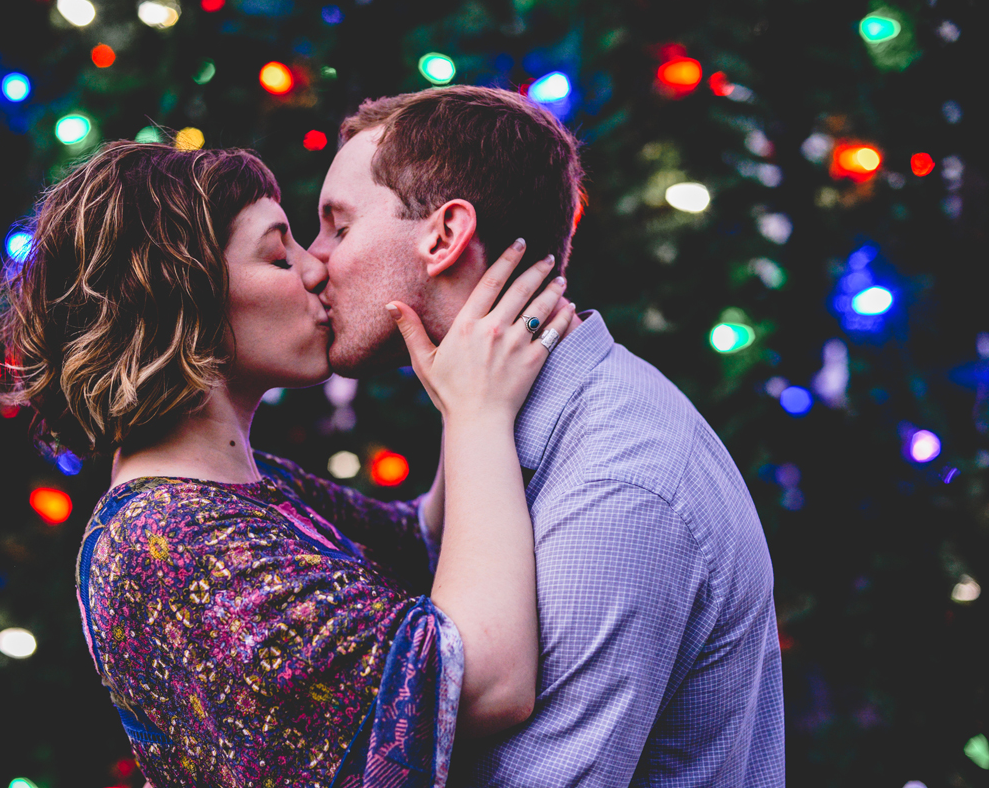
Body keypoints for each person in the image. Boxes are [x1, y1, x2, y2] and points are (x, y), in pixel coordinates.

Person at [0, 141, 575, 787]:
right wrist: (478, 414)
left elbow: (422, 541)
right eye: (277, 252)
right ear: (187, 300)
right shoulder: (167, 542)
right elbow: (484, 680)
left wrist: (460, 348)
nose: (317, 267)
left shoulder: (242, 487)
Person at [307, 85, 786, 787]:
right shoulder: (494, 416)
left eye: (339, 227)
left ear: (443, 236)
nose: (314, 261)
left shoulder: (619, 488)